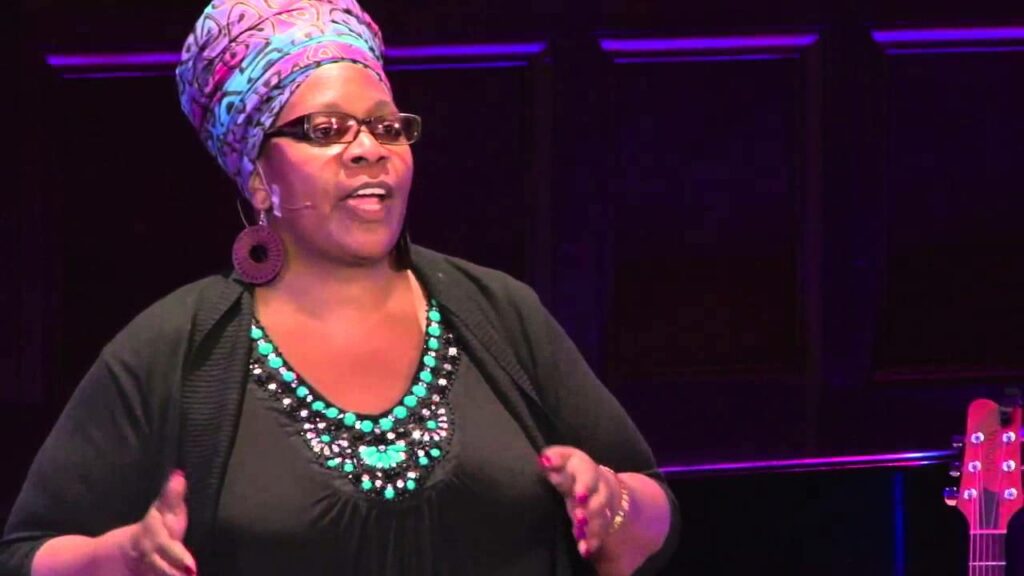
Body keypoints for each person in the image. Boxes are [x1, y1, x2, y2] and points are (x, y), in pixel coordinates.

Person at [0, 0, 680, 574]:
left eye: (387, 126)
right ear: (258, 177)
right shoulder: (177, 346)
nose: (368, 148)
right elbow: (31, 552)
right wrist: (119, 557)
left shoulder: (499, 312)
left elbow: (654, 510)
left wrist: (613, 504)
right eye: (326, 130)